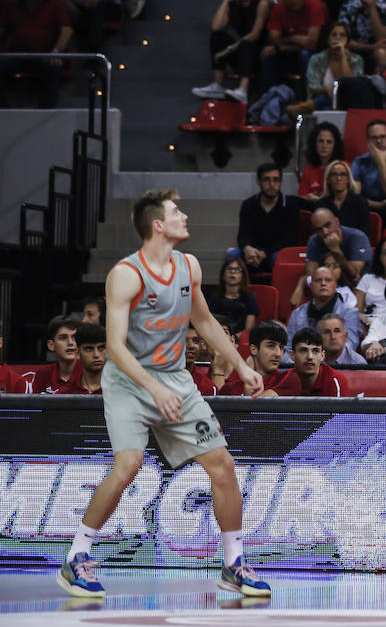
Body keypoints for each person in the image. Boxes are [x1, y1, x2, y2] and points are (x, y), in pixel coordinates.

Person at [56, 188, 271, 599]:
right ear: (158, 225)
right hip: (130, 383)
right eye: (176, 212)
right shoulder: (126, 275)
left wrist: (242, 365)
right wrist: (153, 389)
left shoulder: (189, 266)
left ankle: (234, 565)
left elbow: (204, 321)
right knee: (128, 466)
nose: (184, 216)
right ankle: (77, 556)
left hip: (175, 382)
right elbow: (115, 347)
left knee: (223, 466)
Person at [0, 0, 72, 110]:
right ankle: (4, 111)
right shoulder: (12, 6)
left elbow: (67, 30)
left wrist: (56, 52)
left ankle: (46, 112)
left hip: (46, 56)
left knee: (52, 68)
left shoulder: (55, 4)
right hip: (18, 56)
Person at [192, 0, 267, 103]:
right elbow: (215, 27)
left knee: (246, 44)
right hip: (242, 52)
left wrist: (227, 50)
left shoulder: (262, 4)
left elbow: (254, 35)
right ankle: (217, 85)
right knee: (217, 36)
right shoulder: (232, 4)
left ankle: (243, 90)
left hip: (260, 55)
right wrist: (226, 1)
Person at [259, 0, 326, 88]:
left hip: (316, 54)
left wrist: (281, 47)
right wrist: (295, 39)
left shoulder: (315, 6)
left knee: (305, 55)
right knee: (267, 53)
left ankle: (307, 96)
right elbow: (273, 39)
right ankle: (267, 95)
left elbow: (311, 45)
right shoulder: (278, 8)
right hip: (290, 53)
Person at [235, 163, 302, 272]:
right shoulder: (248, 204)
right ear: (258, 182)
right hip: (255, 252)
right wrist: (247, 248)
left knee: (278, 257)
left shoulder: (290, 204)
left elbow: (291, 240)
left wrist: (265, 253)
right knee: (233, 254)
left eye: (276, 180)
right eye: (266, 180)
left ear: (281, 182)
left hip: (277, 252)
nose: (271, 184)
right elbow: (243, 235)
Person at [221, 322, 299, 395]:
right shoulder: (229, 388)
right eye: (271, 346)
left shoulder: (289, 380)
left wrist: (249, 375)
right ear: (253, 349)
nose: (278, 354)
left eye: (281, 347)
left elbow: (256, 404)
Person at [304, 205, 372, 287]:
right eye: (319, 229)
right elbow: (310, 275)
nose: (325, 232)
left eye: (327, 225)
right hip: (328, 286)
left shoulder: (358, 237)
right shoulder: (314, 240)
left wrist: (335, 249)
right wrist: (300, 285)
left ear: (337, 222)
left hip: (361, 286)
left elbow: (353, 274)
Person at [289, 327, 351, 395]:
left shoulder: (335, 380)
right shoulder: (284, 380)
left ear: (322, 355)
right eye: (303, 351)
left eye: (315, 351)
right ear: (292, 355)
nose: (310, 357)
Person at [299, 121, 347, 202]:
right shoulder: (308, 170)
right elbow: (302, 197)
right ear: (314, 144)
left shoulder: (344, 167)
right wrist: (309, 199)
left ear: (335, 145)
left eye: (329, 142)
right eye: (321, 141)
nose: (324, 145)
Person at [208, 255, 258, 333]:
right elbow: (208, 324)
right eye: (229, 269)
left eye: (237, 270)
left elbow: (248, 330)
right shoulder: (214, 298)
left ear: (243, 276)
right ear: (223, 275)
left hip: (240, 338)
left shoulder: (249, 298)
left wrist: (234, 338)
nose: (233, 272)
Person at [57, 323, 107, 394]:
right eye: (89, 349)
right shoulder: (66, 393)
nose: (96, 355)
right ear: (77, 353)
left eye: (101, 348)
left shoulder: (120, 390)